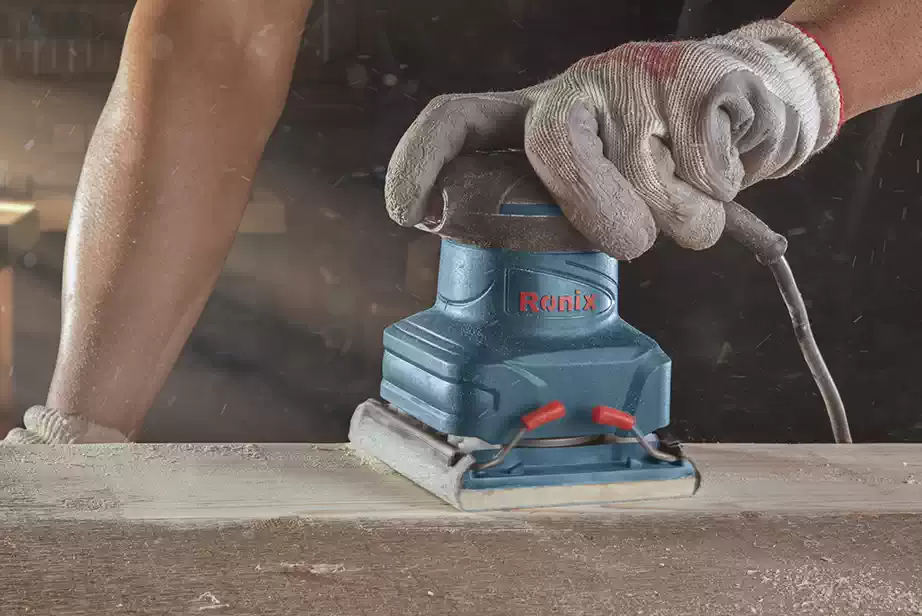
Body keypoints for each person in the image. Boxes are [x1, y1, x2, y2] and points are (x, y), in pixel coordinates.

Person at [1, 0, 920, 443]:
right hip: (429, 258)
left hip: (830, 210)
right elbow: (217, 34)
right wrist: (86, 427)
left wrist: (790, 73)